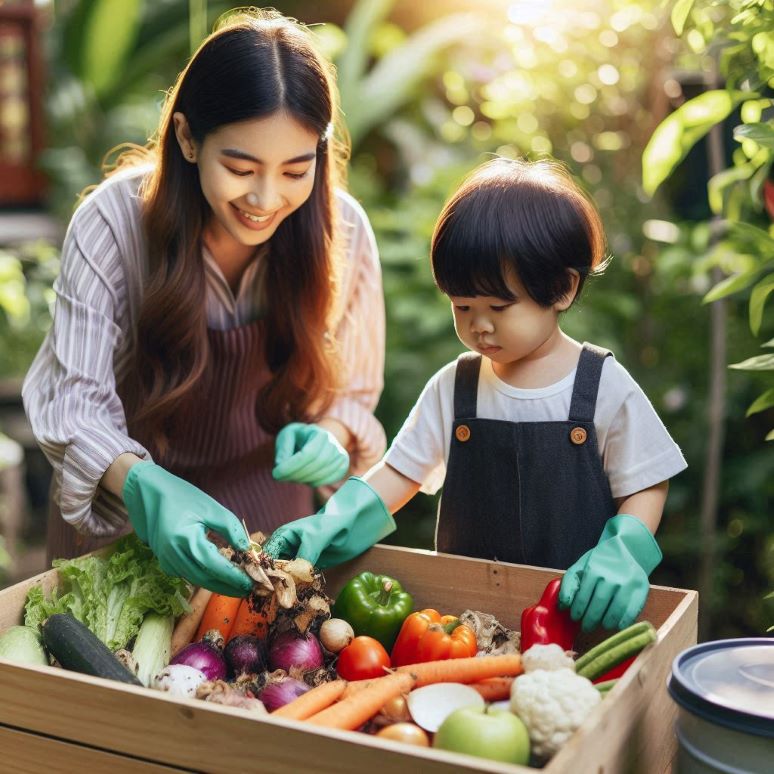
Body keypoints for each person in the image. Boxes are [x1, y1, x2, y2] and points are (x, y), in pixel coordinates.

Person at [22, 9, 386, 597]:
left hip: (268, 542)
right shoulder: (112, 224)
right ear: (188, 138)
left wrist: (332, 435)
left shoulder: (342, 228)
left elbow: (351, 394)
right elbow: (73, 405)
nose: (266, 199)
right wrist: (144, 487)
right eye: (240, 168)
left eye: (296, 170)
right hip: (124, 525)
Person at [265, 157, 687, 632]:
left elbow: (647, 479)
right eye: (462, 306)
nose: (478, 325)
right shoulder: (456, 387)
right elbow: (400, 473)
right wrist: (332, 522)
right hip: (465, 627)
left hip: (576, 616)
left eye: (499, 307)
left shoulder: (601, 385)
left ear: (563, 289)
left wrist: (624, 549)